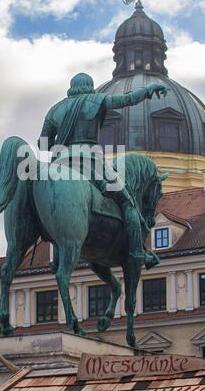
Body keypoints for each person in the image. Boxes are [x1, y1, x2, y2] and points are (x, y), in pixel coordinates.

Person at [38, 73, 167, 268]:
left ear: (71, 87)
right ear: (90, 87)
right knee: (128, 202)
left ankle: (57, 260)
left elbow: (42, 144)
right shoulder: (96, 100)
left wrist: (63, 144)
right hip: (90, 161)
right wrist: (148, 90)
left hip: (60, 164)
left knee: (57, 205)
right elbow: (127, 99)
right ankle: (138, 252)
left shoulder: (55, 109)